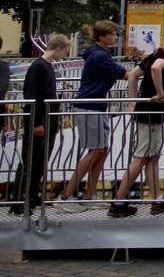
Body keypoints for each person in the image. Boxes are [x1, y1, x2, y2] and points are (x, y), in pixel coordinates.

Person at [108, 33, 164, 217]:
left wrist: (133, 102)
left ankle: (157, 199)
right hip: (152, 111)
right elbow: (156, 69)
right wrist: (161, 93)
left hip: (146, 110)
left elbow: (132, 75)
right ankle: (118, 202)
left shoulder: (156, 53)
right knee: (141, 156)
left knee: (152, 156)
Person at [56, 21, 128, 210]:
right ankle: (66, 196)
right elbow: (125, 74)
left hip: (97, 106)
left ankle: (89, 195)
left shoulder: (101, 54)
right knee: (95, 150)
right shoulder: (99, 56)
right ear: (101, 37)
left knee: (101, 150)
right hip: (89, 106)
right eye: (112, 34)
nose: (115, 37)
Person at [10, 34, 70, 215]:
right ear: (58, 48)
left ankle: (31, 194)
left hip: (47, 117)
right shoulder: (39, 67)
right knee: (30, 160)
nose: (66, 54)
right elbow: (32, 95)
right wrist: (36, 123)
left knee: (40, 159)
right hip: (39, 118)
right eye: (66, 49)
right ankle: (19, 199)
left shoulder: (46, 66)